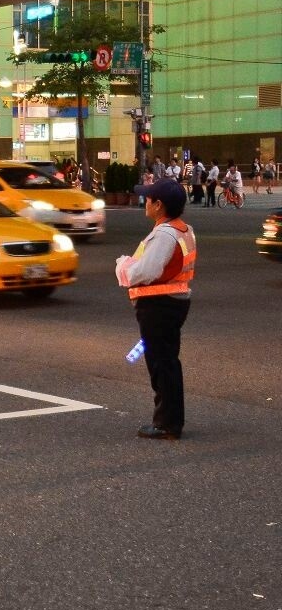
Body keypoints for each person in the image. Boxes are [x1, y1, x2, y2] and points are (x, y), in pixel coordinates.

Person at [115, 178, 195, 441]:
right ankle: (170, 420)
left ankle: (167, 424)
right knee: (167, 361)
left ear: (158, 205)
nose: (144, 202)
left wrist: (123, 266)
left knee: (161, 364)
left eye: (148, 199)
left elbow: (145, 271)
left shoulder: (164, 234)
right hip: (173, 301)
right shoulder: (183, 230)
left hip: (159, 305)